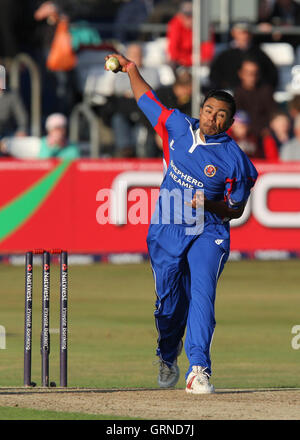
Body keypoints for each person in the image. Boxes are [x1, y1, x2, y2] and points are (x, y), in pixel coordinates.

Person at [104, 52, 258, 394]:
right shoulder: (176, 125)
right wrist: (131, 69)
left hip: (210, 230)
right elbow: (147, 99)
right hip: (168, 224)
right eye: (208, 111)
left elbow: (235, 209)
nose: (212, 118)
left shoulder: (236, 160)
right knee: (168, 304)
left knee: (203, 294)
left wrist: (211, 204)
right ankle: (167, 354)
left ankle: (199, 369)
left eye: (221, 116)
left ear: (229, 123)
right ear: (200, 109)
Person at [111, 43, 161, 157]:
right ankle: (125, 151)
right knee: (118, 119)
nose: (136, 57)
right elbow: (119, 89)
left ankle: (148, 154)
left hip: (145, 108)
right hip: (127, 107)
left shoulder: (152, 72)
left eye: (139, 54)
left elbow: (153, 89)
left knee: (148, 122)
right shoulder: (120, 73)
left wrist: (132, 92)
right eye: (133, 54)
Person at [209, 21, 278, 91]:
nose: (245, 36)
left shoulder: (260, 55)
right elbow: (215, 77)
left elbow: (271, 76)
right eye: (241, 33)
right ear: (233, 33)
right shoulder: (224, 56)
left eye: (247, 33)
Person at [234, 57, 278, 139]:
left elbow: (273, 113)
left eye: (255, 73)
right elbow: (238, 117)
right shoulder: (238, 94)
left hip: (265, 134)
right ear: (241, 74)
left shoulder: (266, 91)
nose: (252, 76)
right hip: (246, 136)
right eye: (248, 73)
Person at [166, 0, 214, 69]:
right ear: (180, 15)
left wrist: (196, 60)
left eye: (192, 15)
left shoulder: (204, 24)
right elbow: (173, 51)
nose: (189, 19)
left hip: (199, 62)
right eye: (186, 15)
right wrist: (186, 60)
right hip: (180, 62)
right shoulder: (175, 24)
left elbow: (207, 50)